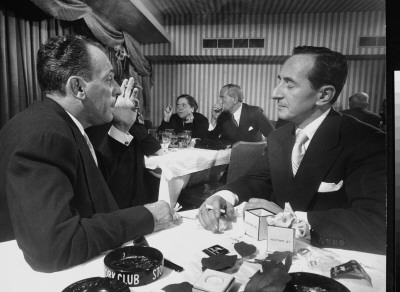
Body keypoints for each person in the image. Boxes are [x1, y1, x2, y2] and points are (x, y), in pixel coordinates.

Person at [0, 35, 174, 272]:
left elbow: (87, 184)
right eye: (109, 79)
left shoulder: (58, 123)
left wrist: (122, 126)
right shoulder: (45, 136)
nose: (115, 89)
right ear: (78, 87)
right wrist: (146, 217)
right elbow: (55, 247)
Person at [198, 46, 386, 254]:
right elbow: (255, 180)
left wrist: (293, 219)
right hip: (277, 253)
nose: (275, 93)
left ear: (323, 95)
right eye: (279, 81)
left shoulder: (369, 142)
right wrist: (224, 196)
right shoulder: (279, 137)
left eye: (289, 85)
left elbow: (379, 224)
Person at [208, 84, 274, 144]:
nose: (220, 101)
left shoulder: (255, 113)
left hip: (253, 155)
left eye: (223, 97)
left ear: (235, 100)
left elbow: (274, 137)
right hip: (229, 155)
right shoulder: (223, 116)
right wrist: (214, 118)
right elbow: (210, 139)